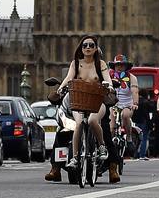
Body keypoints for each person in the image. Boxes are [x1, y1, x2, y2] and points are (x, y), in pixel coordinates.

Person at [57, 35, 110, 170]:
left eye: (91, 45)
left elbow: (107, 78)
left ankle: (102, 147)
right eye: (85, 45)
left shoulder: (101, 64)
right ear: (81, 48)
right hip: (79, 101)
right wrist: (61, 88)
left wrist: (109, 86)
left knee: (93, 121)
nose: (88, 47)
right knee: (78, 123)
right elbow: (69, 77)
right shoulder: (75, 63)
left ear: (96, 48)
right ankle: (75, 158)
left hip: (97, 101)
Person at [109, 53, 139, 155]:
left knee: (125, 115)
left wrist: (135, 103)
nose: (120, 67)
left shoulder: (131, 77)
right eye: (117, 65)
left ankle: (129, 138)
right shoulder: (109, 76)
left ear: (126, 66)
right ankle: (110, 144)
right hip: (113, 104)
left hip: (127, 104)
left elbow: (134, 90)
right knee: (111, 126)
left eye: (122, 65)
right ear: (114, 66)